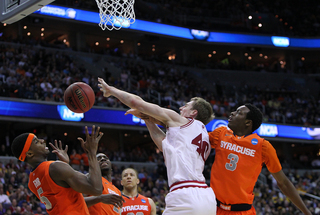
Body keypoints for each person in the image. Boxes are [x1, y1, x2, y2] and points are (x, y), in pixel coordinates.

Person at [98, 77, 217, 215]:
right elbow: (164, 145)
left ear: (193, 113)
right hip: (206, 197)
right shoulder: (201, 134)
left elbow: (137, 102)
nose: (180, 107)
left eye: (186, 106)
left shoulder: (181, 121)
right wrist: (147, 118)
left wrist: (111, 90)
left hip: (185, 194)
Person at [208, 103, 311, 215]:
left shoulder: (263, 146)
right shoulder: (221, 133)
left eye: (239, 112)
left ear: (248, 122)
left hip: (241, 211)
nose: (232, 113)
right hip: (212, 207)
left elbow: (283, 183)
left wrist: (307, 212)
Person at [11, 125, 103, 215]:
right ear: (30, 154)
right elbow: (96, 189)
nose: (42, 140)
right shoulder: (54, 168)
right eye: (36, 141)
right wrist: (91, 152)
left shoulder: (31, 182)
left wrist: (65, 164)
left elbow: (68, 198)